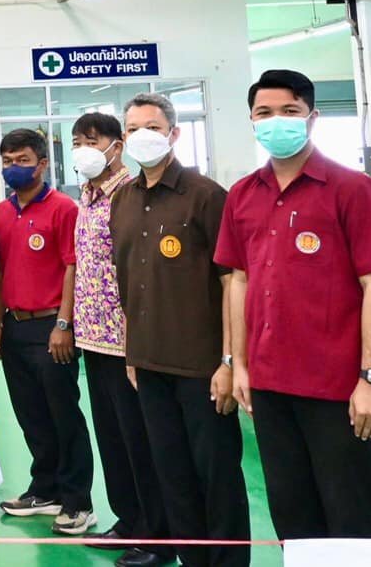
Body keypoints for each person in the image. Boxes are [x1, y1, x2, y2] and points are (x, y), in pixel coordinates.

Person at [217, 69, 371, 541]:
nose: (275, 121)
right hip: (269, 386)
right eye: (264, 113)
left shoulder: (352, 190)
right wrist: (239, 364)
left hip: (336, 388)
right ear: (251, 121)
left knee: (349, 513)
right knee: (291, 513)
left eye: (289, 111)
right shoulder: (243, 195)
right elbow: (239, 281)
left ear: (312, 117)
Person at [111, 93, 247, 567]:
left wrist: (229, 362)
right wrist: (133, 353)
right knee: (171, 472)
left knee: (217, 474)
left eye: (152, 127)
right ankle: (192, 560)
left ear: (174, 133)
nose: (142, 136)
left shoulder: (206, 196)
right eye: (133, 129)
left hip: (202, 366)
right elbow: (128, 281)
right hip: (149, 363)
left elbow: (232, 283)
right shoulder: (123, 199)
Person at [69, 114, 169, 567]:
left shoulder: (129, 194)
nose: (83, 149)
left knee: (140, 441)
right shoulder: (87, 196)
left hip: (128, 341)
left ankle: (156, 533)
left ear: (117, 145)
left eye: (92, 141)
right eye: (77, 141)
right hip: (94, 339)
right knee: (112, 439)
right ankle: (128, 520)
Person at [0, 128, 96, 536]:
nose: (14, 168)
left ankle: (78, 502)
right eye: (8, 161)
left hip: (52, 327)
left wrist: (64, 324)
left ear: (43, 164)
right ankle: (45, 490)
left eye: (23, 160)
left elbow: (72, 266)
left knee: (63, 416)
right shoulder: (1, 213)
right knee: (31, 416)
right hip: (15, 328)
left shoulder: (63, 209)